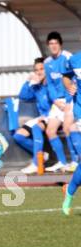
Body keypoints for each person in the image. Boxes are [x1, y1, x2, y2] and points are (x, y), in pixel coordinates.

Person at [44, 31, 78, 172]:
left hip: (69, 100)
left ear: (60, 44)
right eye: (51, 44)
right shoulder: (47, 63)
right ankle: (63, 162)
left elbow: (74, 80)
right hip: (57, 102)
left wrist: (68, 101)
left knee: (67, 127)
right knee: (50, 130)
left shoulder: (68, 57)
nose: (53, 46)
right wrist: (56, 101)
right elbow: (50, 85)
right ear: (48, 45)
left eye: (56, 43)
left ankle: (76, 161)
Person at [13, 57, 50, 174]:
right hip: (42, 117)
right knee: (18, 136)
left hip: (55, 117)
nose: (39, 72)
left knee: (36, 128)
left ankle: (36, 163)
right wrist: (28, 82)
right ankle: (41, 155)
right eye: (36, 70)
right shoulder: (36, 86)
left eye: (42, 69)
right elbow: (23, 96)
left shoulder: (53, 84)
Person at [61, 49, 81, 215]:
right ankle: (69, 194)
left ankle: (69, 190)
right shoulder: (74, 60)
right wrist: (70, 87)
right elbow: (66, 77)